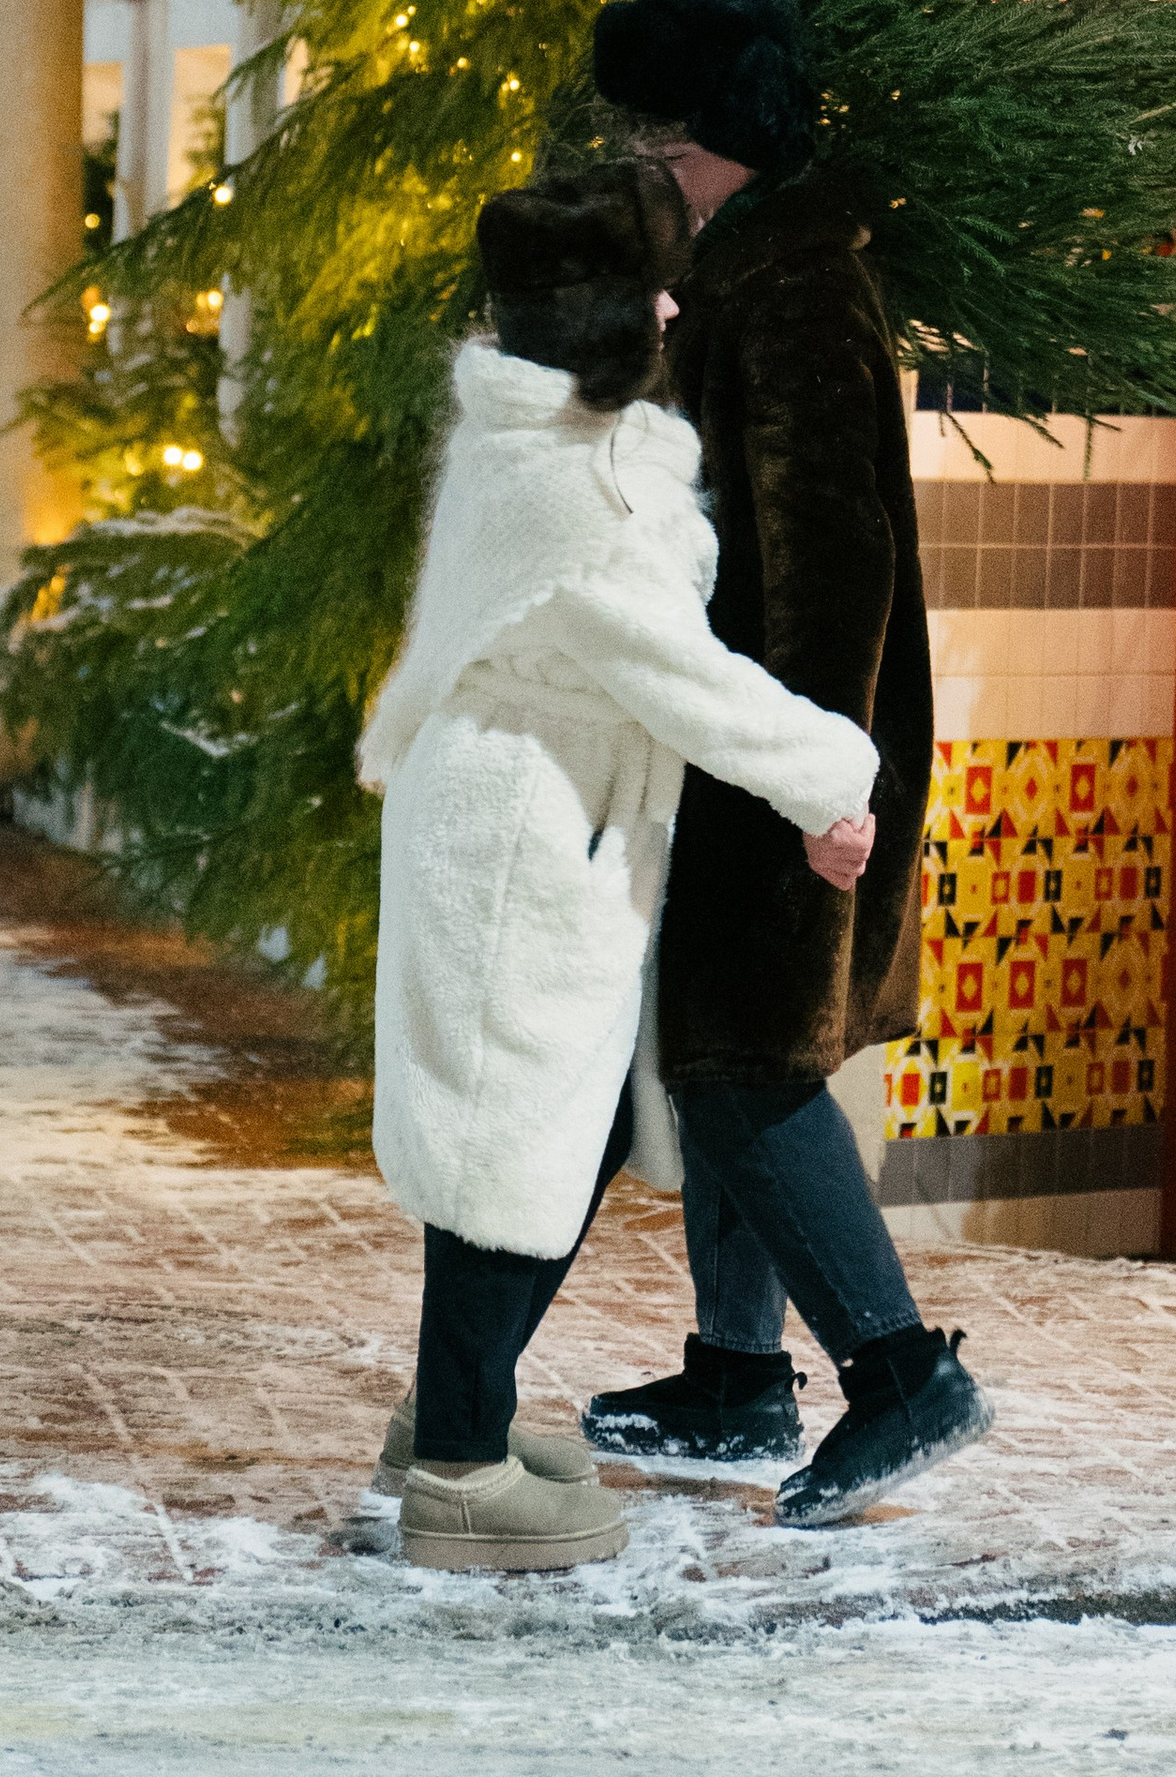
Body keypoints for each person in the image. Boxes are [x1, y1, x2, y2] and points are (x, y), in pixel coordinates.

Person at [357, 163, 880, 1573]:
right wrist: (835, 781)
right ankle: (461, 1468)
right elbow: (684, 676)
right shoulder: (582, 493)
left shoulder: (541, 438)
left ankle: (451, 1412)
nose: (670, 302)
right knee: (513, 1141)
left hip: (533, 819)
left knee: (541, 1132)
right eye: (651, 283)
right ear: (603, 314)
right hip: (523, 835)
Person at [581, 0, 992, 1525]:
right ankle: (739, 1374)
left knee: (747, 1057)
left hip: (792, 744)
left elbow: (836, 553)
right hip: (746, 733)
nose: (643, 164)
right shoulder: (752, 266)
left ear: (718, 142)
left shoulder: (796, 284)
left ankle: (899, 1373)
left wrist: (819, 775)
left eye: (659, 137)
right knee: (722, 1039)